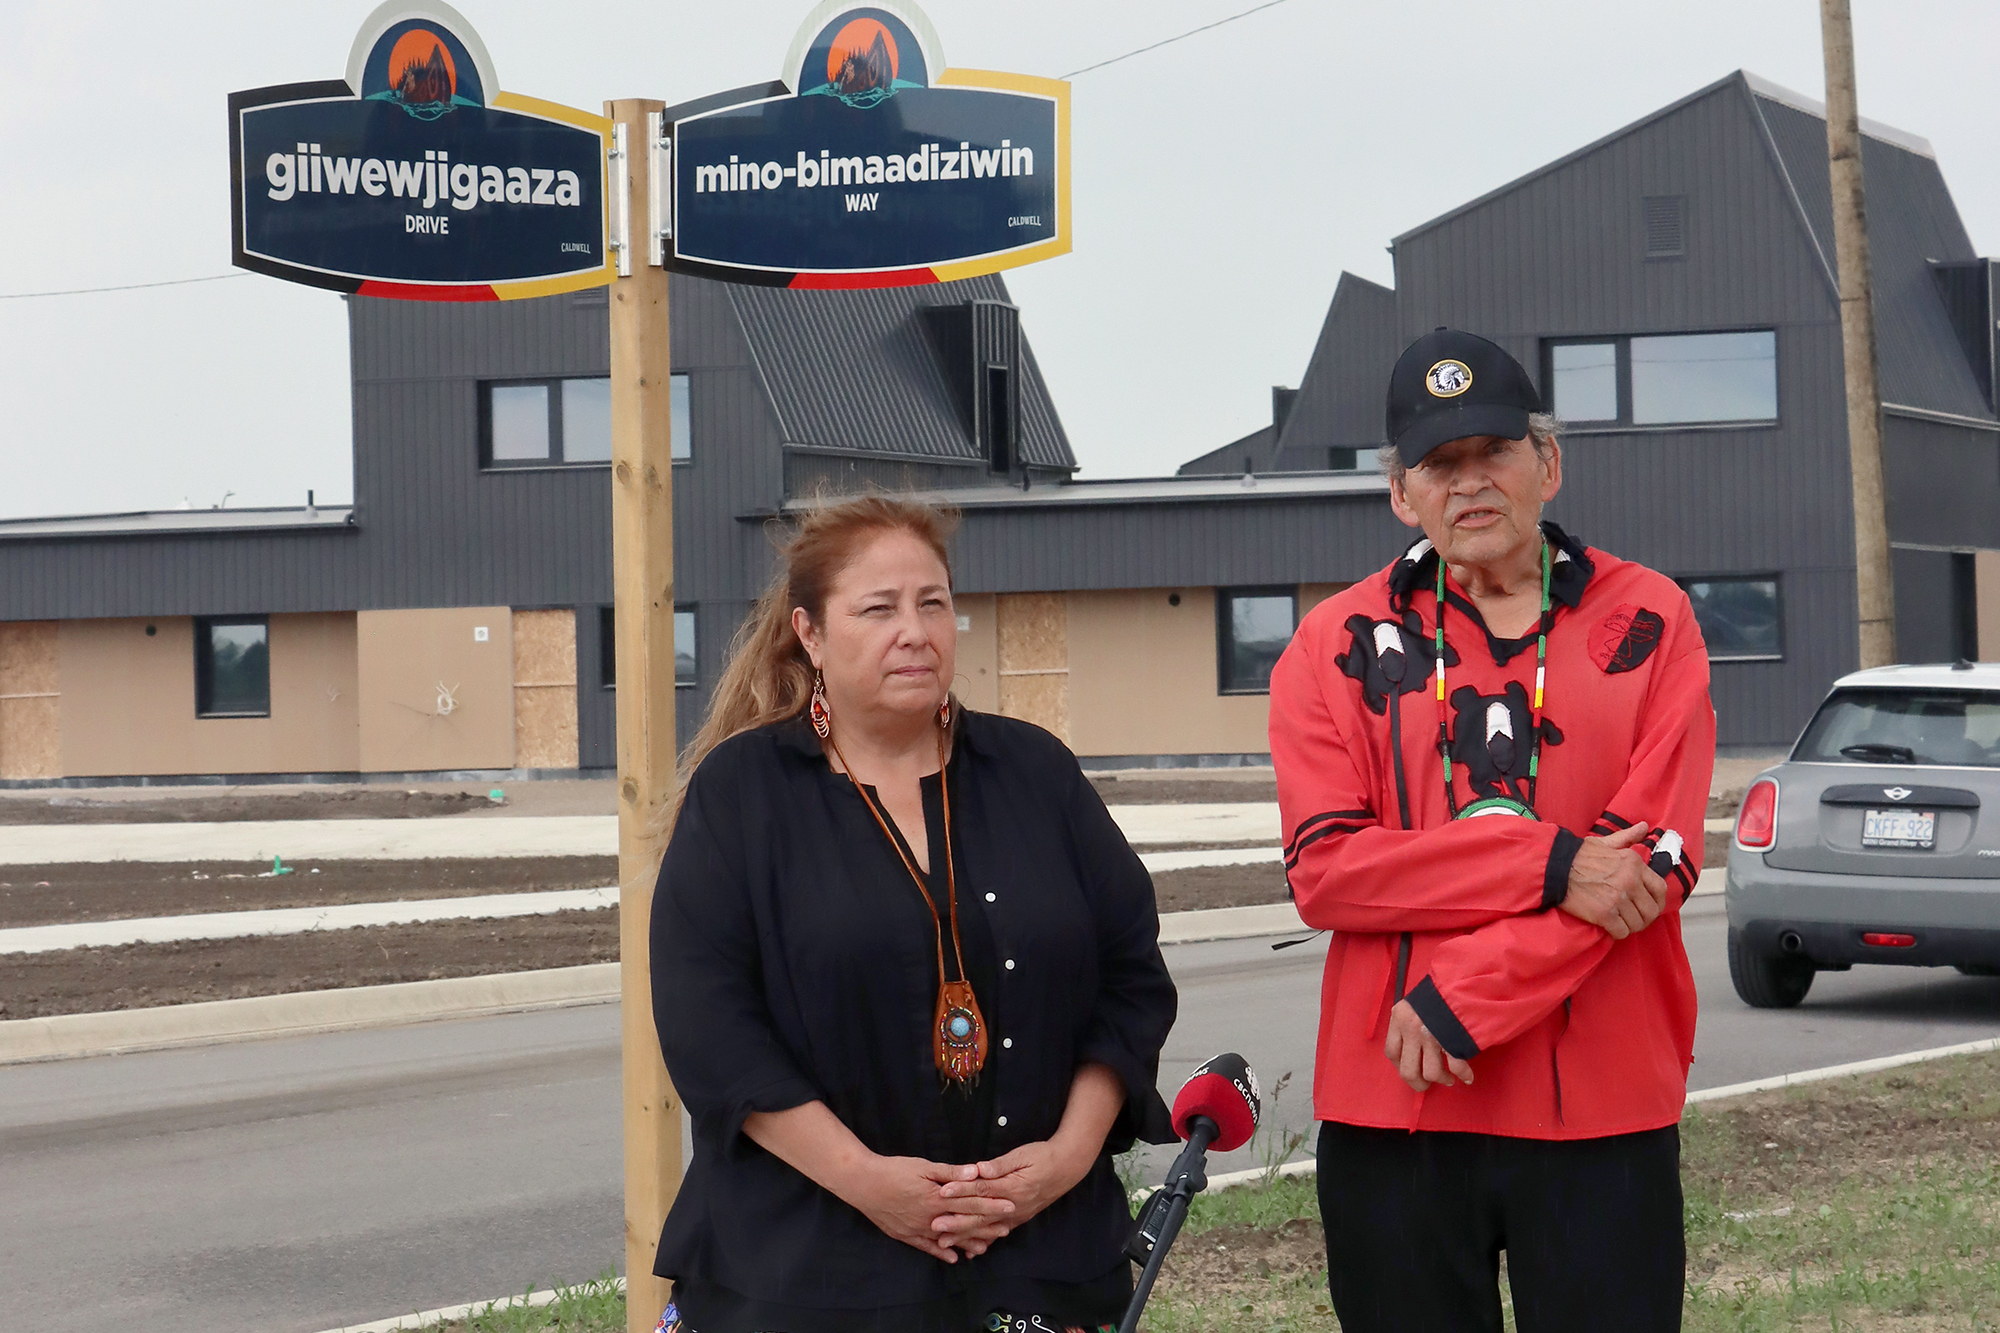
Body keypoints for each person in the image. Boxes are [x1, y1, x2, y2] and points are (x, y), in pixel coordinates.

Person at [1270, 329, 1715, 1332]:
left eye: (1492, 454)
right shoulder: (1331, 645)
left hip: (1601, 1105)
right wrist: (1552, 861)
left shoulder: (1648, 621)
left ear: (1545, 464)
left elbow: (1648, 866)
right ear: (1401, 495)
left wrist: (1464, 993)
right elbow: (1328, 872)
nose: (1468, 485)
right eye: (1437, 465)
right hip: (1396, 1112)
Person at [648, 495, 1179, 1333]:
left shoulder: (1034, 771)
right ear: (811, 634)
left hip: (1040, 1256)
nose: (915, 629)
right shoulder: (743, 793)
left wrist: (1061, 1163)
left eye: (933, 602)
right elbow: (709, 1028)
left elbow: (1131, 979)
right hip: (808, 1267)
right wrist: (869, 1182)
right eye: (878, 608)